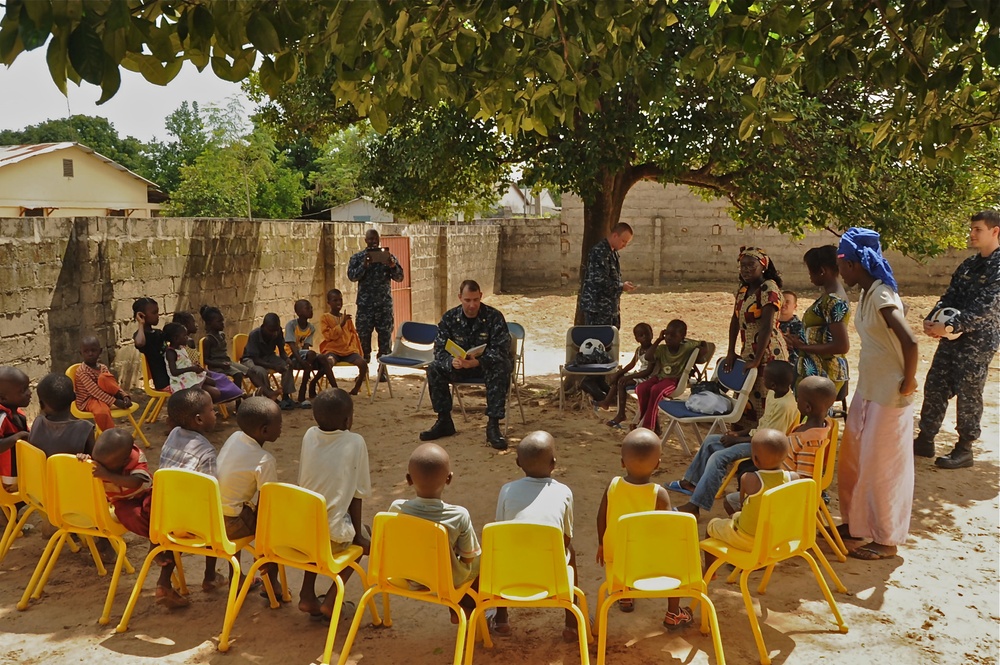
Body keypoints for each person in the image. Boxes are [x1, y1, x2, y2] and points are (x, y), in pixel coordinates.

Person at [836, 227, 918, 561]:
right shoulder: (869, 293)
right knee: (856, 461)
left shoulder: (882, 295)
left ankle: (885, 539)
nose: (839, 269)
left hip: (889, 394)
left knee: (883, 467)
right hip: (869, 389)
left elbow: (910, 341)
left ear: (852, 263)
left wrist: (909, 381)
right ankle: (857, 526)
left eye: (840, 262)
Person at [914, 210, 1000, 469]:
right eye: (972, 229)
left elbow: (986, 307)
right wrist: (933, 319)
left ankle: (964, 448)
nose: (971, 234)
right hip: (951, 338)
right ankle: (925, 438)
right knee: (936, 385)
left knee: (969, 392)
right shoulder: (968, 265)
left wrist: (949, 325)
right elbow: (949, 296)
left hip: (978, 342)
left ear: (995, 231)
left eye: (978, 229)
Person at [667, 360, 799, 517]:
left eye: (765, 378)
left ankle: (695, 506)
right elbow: (763, 424)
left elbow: (769, 439)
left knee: (718, 457)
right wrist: (740, 433)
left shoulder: (785, 406)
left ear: (773, 384)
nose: (762, 380)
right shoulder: (773, 394)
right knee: (710, 441)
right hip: (756, 438)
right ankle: (690, 483)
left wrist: (737, 441)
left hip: (764, 447)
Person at [595, 428, 691, 629]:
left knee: (627, 543)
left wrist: (602, 545)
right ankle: (674, 613)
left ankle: (624, 596)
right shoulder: (659, 493)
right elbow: (668, 532)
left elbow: (601, 517)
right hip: (648, 563)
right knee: (678, 558)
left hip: (619, 559)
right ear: (658, 464)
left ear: (622, 462)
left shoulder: (612, 486)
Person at [79, 429, 184, 606]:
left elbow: (136, 482)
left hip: (146, 496)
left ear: (124, 461)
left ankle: (155, 543)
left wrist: (108, 476)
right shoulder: (99, 460)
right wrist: (82, 460)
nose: (98, 466)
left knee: (164, 515)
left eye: (107, 465)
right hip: (123, 504)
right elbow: (83, 468)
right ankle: (158, 551)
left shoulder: (136, 458)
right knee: (137, 518)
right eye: (96, 460)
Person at [492, 431, 578, 641]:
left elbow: (501, 530)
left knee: (498, 552)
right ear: (554, 463)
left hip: (511, 574)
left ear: (517, 462)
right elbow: (565, 539)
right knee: (571, 554)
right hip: (551, 575)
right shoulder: (564, 492)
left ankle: (501, 619)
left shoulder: (507, 489)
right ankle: (572, 624)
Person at [297, 388, 372, 620]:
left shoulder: (309, 435)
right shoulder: (356, 442)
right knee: (362, 537)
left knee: (316, 522)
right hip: (330, 537)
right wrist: (359, 535)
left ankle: (307, 593)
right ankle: (331, 600)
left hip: (300, 534)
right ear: (348, 419)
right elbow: (357, 494)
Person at [388, 442, 480, 620]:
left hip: (406, 577)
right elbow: (468, 557)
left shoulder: (396, 509)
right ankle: (462, 607)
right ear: (449, 479)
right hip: (443, 582)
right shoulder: (459, 516)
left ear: (408, 479)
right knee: (479, 559)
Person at [421, 280, 513, 450]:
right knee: (434, 368)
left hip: (485, 366)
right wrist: (452, 362)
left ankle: (493, 425)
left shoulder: (494, 316)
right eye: (467, 300)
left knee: (502, 367)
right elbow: (439, 350)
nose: (472, 305)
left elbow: (502, 350)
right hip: (460, 366)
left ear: (480, 297)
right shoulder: (449, 318)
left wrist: (478, 361)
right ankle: (444, 421)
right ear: (460, 298)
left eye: (475, 300)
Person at [216, 396, 283, 595]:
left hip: (212, 519)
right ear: (264, 430)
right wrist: (263, 544)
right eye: (279, 424)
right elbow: (267, 505)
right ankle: (271, 585)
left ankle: (235, 578)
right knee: (275, 526)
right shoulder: (265, 461)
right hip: (232, 524)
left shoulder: (235, 437)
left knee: (233, 505)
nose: (281, 428)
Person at [703, 429, 796, 572]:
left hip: (750, 540)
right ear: (786, 455)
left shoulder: (750, 479)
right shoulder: (794, 477)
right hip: (778, 537)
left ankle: (709, 571)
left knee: (712, 526)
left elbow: (742, 506)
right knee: (737, 518)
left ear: (755, 459)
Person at [159, 387, 223, 591]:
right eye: (212, 410)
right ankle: (210, 576)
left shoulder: (173, 434)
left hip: (164, 520)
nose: (216, 413)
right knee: (219, 514)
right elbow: (211, 495)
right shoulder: (206, 451)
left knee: (180, 507)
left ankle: (163, 583)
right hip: (195, 528)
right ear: (199, 419)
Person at [722, 247, 789, 428]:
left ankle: (762, 443)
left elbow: (767, 327)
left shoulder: (769, 289)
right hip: (749, 352)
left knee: (765, 399)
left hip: (768, 353)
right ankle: (744, 441)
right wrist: (730, 351)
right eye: (742, 266)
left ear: (763, 266)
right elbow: (735, 321)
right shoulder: (743, 290)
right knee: (747, 399)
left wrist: (758, 360)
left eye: (751, 265)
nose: (746, 269)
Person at [784, 246, 851, 393]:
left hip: (822, 373)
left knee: (815, 415)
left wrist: (802, 347)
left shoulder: (833, 301)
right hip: (816, 369)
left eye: (810, 270)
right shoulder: (830, 297)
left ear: (821, 270)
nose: (809, 275)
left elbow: (841, 345)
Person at [347, 229, 405, 368]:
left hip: (384, 306)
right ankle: (363, 372)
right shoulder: (358, 258)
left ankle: (382, 371)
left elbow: (400, 277)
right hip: (365, 307)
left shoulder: (387, 257)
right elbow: (352, 276)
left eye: (375, 239)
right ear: (365, 240)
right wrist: (364, 266)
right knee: (362, 341)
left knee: (385, 340)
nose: (373, 242)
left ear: (379, 240)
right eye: (370, 239)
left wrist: (392, 265)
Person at [637, 320, 705, 431]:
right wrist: (659, 340)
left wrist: (703, 351)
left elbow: (703, 343)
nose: (668, 337)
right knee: (641, 388)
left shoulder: (686, 347)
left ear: (682, 337)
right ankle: (650, 423)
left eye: (673, 335)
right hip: (659, 377)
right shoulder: (662, 349)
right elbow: (648, 357)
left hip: (673, 380)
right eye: (666, 334)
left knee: (655, 390)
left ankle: (648, 427)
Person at [597, 322, 656, 429]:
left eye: (648, 334)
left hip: (648, 378)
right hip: (640, 375)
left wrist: (628, 377)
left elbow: (648, 371)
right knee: (619, 378)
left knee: (622, 382)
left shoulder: (653, 351)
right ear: (636, 338)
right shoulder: (639, 350)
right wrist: (619, 373)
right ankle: (607, 401)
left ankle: (621, 414)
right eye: (641, 335)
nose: (645, 337)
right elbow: (632, 364)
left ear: (652, 334)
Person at [781, 376, 839, 480]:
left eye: (798, 398)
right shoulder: (815, 427)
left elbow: (804, 480)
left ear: (808, 407)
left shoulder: (810, 442)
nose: (796, 400)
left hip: (784, 489)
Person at [579, 223, 636, 327]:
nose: (624, 245)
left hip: (609, 309)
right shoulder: (599, 252)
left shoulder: (612, 252)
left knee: (611, 341)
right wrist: (621, 286)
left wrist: (621, 285)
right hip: (597, 311)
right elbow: (600, 281)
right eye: (623, 241)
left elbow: (612, 278)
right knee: (599, 341)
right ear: (615, 236)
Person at [285, 298, 339, 405]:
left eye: (311, 308)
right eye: (307, 308)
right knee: (311, 355)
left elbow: (305, 348)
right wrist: (302, 362)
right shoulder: (291, 325)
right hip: (291, 355)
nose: (311, 310)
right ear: (299, 312)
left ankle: (335, 390)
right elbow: (292, 346)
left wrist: (308, 362)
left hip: (304, 355)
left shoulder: (311, 328)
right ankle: (302, 390)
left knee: (324, 359)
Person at [73, 336, 132, 432]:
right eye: (86, 351)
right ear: (81, 353)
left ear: (100, 351)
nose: (90, 354)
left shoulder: (103, 367)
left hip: (105, 396)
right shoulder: (81, 371)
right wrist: (115, 402)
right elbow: (94, 391)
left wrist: (124, 395)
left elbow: (113, 385)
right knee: (102, 412)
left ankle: (120, 397)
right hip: (89, 400)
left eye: (93, 350)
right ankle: (111, 436)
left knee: (104, 377)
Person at [241, 313, 298, 410]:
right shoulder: (254, 335)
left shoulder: (278, 332)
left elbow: (282, 352)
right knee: (260, 371)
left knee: (287, 366)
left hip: (269, 356)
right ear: (263, 327)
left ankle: (286, 396)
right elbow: (255, 359)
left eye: (276, 330)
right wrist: (274, 366)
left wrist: (287, 359)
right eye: (271, 330)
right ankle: (270, 398)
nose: (274, 334)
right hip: (250, 359)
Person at [30, 373, 95, 457]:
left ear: (41, 404)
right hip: (69, 470)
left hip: (38, 470)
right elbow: (93, 462)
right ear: (74, 397)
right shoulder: (85, 428)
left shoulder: (38, 422)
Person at [318, 289, 368, 395]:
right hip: (333, 350)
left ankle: (356, 387)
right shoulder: (325, 318)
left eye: (340, 300)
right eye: (335, 300)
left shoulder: (347, 318)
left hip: (348, 351)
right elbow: (328, 336)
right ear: (329, 303)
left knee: (363, 364)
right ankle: (335, 388)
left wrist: (357, 351)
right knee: (328, 362)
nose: (338, 303)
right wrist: (341, 324)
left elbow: (354, 336)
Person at [163, 322, 223, 403]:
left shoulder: (181, 348)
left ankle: (202, 397)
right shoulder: (171, 352)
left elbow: (184, 363)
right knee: (213, 393)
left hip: (190, 375)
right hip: (182, 381)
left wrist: (195, 366)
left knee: (213, 382)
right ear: (175, 338)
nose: (187, 338)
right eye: (184, 336)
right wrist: (191, 368)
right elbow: (174, 372)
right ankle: (198, 403)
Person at [199, 305, 250, 392]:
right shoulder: (208, 340)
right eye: (219, 321)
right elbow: (206, 360)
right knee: (238, 375)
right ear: (210, 323)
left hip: (226, 362)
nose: (222, 323)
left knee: (249, 371)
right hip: (216, 366)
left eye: (222, 321)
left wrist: (225, 363)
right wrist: (220, 365)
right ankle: (238, 398)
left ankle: (264, 392)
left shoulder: (221, 335)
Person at [0, 366, 31, 492]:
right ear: (3, 399)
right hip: (9, 482)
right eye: (23, 391)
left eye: (28, 387)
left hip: (21, 470)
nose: (29, 393)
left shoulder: (18, 413)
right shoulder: (2, 416)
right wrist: (18, 437)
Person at [133, 297, 169, 391]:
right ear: (142, 315)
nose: (157, 316)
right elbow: (140, 343)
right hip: (163, 381)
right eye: (154, 313)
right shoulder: (142, 336)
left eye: (157, 312)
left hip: (172, 375)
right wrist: (141, 323)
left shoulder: (158, 333)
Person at [777, 291, 803, 369]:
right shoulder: (770, 325)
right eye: (781, 301)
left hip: (793, 368)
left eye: (787, 302)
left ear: (795, 306)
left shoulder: (800, 327)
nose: (783, 304)